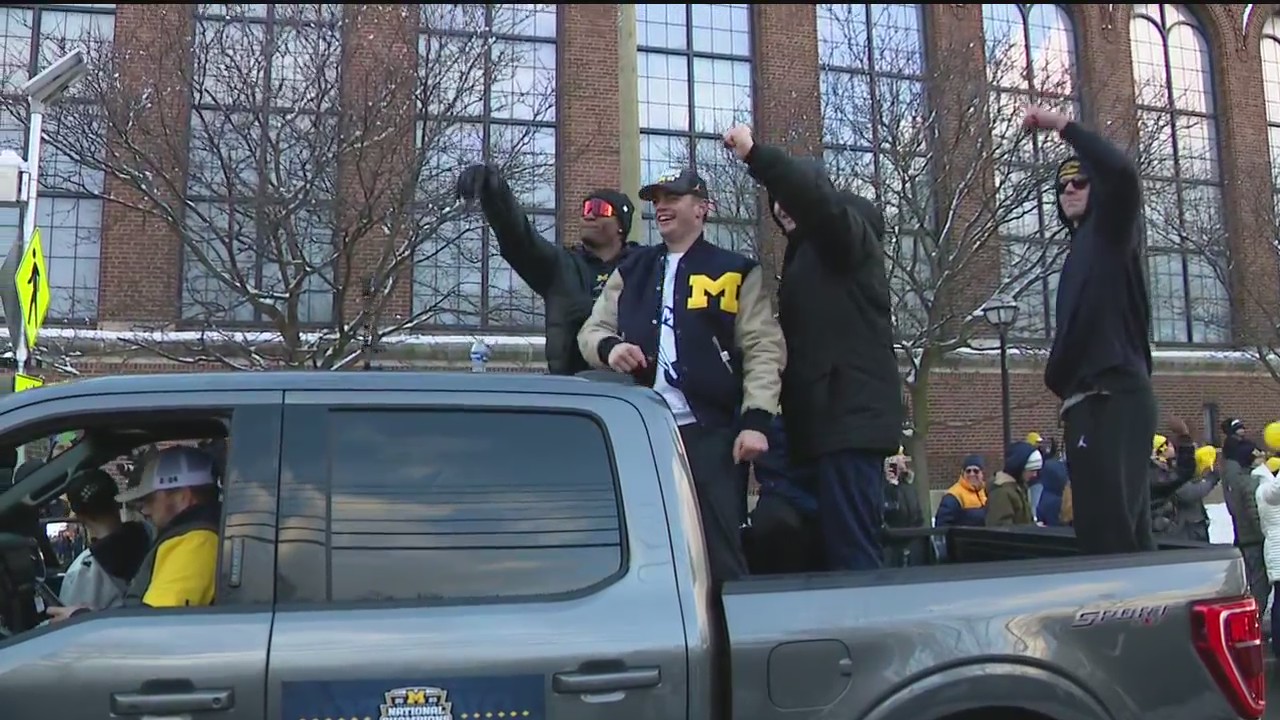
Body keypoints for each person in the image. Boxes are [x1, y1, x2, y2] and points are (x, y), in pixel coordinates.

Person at [578, 166, 784, 584]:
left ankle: (732, 640)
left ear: (702, 208)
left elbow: (764, 348)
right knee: (646, 548)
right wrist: (610, 348)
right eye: (656, 200)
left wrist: (756, 421)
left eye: (673, 198)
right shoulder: (633, 269)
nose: (662, 207)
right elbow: (591, 331)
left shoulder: (736, 271)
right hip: (642, 430)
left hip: (711, 432)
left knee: (718, 548)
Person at [724, 124, 904, 571]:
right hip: (817, 432)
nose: (781, 209)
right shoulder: (808, 256)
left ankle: (865, 632)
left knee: (852, 551)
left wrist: (755, 156)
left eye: (789, 198)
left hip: (848, 426)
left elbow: (817, 206)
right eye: (776, 204)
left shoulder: (845, 239)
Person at [1022, 105, 1155, 555]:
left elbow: (1122, 175)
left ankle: (1131, 621)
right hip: (1087, 402)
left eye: (1079, 182)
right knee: (1107, 531)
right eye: (1061, 186)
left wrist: (1064, 127)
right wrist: (1058, 378)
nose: (1068, 190)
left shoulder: (1112, 234)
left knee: (1112, 532)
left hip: (1113, 396)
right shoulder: (1079, 250)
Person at [457, 164, 638, 375]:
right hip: (572, 390)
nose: (589, 215)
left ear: (621, 225)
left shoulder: (642, 267)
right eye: (586, 209)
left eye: (600, 209)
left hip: (631, 392)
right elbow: (519, 238)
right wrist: (495, 193)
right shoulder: (561, 267)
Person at [49, 446, 222, 621]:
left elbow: (154, 626)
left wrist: (82, 618)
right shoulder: (189, 537)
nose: (144, 510)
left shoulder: (195, 542)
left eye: (150, 499)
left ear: (182, 497)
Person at [59, 468, 150, 609]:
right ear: (116, 501)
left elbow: (69, 626)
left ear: (79, 516)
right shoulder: (152, 536)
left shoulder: (82, 572)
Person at [986, 442, 1041, 527]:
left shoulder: (1019, 487)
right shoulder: (1001, 492)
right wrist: (1032, 530)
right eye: (1031, 470)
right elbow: (1001, 529)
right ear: (1019, 467)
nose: (1035, 475)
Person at [934, 455, 989, 528]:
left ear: (982, 474)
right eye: (968, 471)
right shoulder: (953, 495)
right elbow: (942, 525)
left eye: (976, 471)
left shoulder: (986, 491)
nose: (972, 474)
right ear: (963, 473)